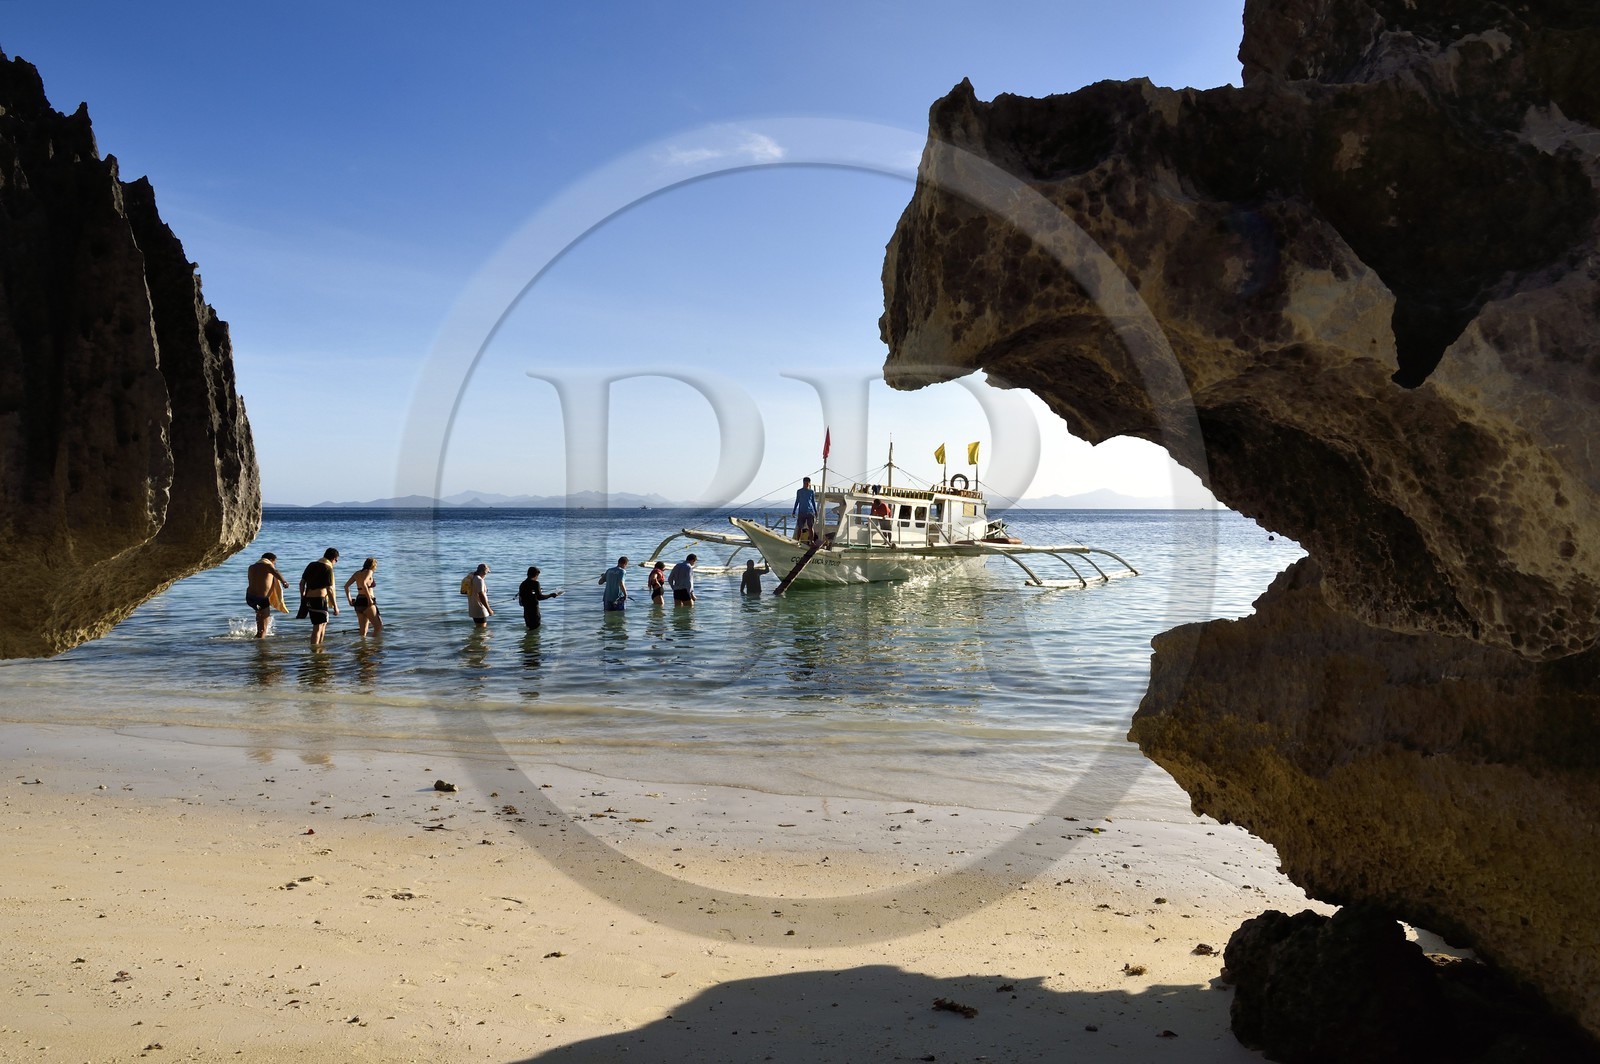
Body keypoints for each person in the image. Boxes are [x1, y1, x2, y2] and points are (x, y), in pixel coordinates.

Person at [298, 548, 340, 646]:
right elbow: (329, 589)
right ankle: (315, 651)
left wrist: (303, 596)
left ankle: (319, 648)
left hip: (309, 598)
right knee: (318, 627)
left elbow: (301, 583)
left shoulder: (311, 565)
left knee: (322, 624)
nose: (336, 562)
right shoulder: (327, 568)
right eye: (336, 560)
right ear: (334, 558)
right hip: (319, 600)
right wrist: (335, 606)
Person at [245, 552, 288, 638]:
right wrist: (284, 582)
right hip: (262, 598)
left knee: (259, 615)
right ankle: (262, 648)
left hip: (250, 597)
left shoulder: (251, 567)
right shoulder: (268, 566)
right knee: (264, 629)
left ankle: (257, 639)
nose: (274, 565)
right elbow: (276, 571)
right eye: (274, 563)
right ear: (271, 560)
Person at [343, 557, 383, 637]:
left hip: (358, 602)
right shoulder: (369, 572)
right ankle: (374, 646)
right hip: (367, 601)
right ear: (373, 566)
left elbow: (346, 586)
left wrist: (350, 600)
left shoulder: (357, 573)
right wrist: (369, 600)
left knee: (363, 630)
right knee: (378, 626)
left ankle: (363, 647)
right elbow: (364, 583)